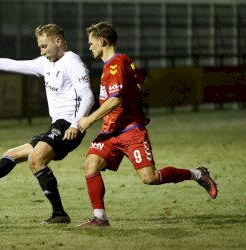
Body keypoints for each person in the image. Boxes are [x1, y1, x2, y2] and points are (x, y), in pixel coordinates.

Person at [0, 24, 94, 224]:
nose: (41, 51)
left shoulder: (72, 62)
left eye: (44, 46)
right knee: (12, 154)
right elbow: (12, 64)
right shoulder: (45, 63)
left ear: (58, 42)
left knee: (35, 161)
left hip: (68, 126)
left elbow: (88, 97)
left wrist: (76, 125)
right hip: (56, 126)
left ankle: (59, 214)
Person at [77, 22, 218, 227]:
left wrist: (89, 119)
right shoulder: (122, 62)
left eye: (91, 43)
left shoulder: (116, 65)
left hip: (130, 131)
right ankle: (100, 218)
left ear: (102, 41)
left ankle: (197, 174)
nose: (89, 47)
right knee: (90, 164)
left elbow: (115, 100)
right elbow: (141, 81)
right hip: (110, 132)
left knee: (150, 178)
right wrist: (135, 98)